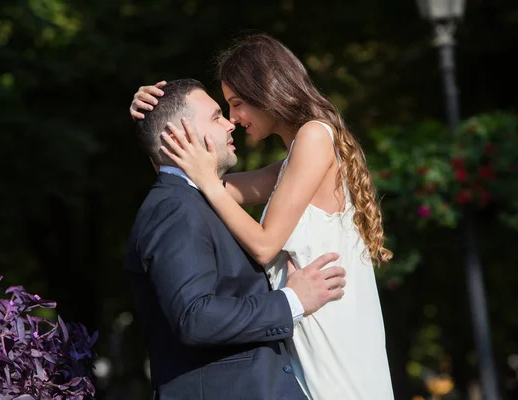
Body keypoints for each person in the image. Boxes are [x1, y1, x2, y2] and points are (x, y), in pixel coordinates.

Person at [130, 34, 395, 399]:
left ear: (267, 91)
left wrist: (205, 177)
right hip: (304, 338)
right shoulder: (286, 167)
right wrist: (156, 123)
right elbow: (192, 189)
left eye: (236, 104)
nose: (234, 120)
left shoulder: (315, 137)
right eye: (226, 109)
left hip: (333, 333)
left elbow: (265, 245)